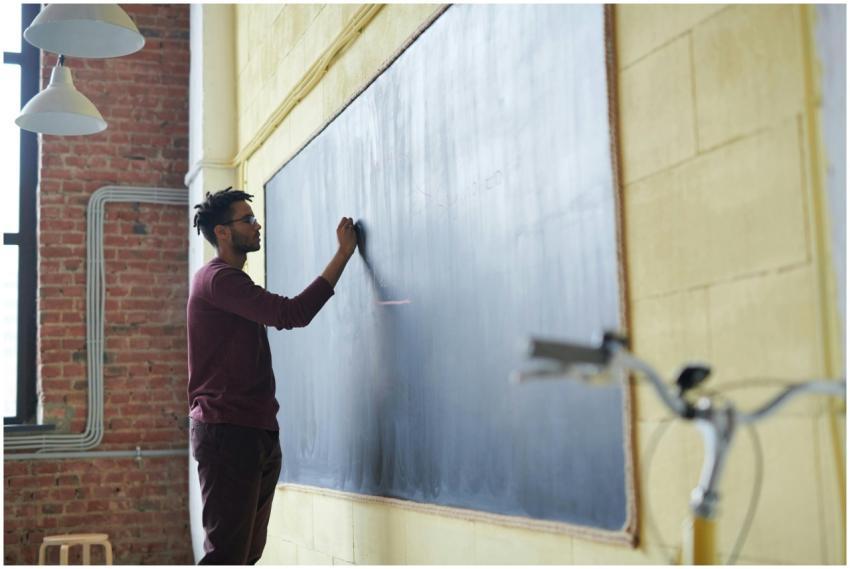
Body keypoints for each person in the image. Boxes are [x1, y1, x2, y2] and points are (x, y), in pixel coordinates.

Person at [187, 187, 357, 564]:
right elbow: (291, 314)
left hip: (253, 431)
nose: (257, 224)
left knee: (245, 556)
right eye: (247, 219)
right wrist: (342, 255)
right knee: (227, 558)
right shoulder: (219, 280)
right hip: (228, 431)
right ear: (223, 233)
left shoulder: (231, 284)